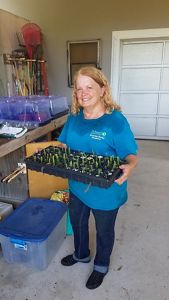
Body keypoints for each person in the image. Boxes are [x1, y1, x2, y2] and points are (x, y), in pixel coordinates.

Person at [58, 66, 138, 289]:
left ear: (103, 90)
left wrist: (130, 165)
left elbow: (130, 154)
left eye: (89, 87)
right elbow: (63, 143)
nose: (83, 93)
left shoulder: (115, 121)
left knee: (104, 231)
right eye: (78, 88)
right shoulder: (74, 118)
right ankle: (81, 254)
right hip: (77, 185)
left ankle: (101, 265)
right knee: (78, 223)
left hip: (106, 190)